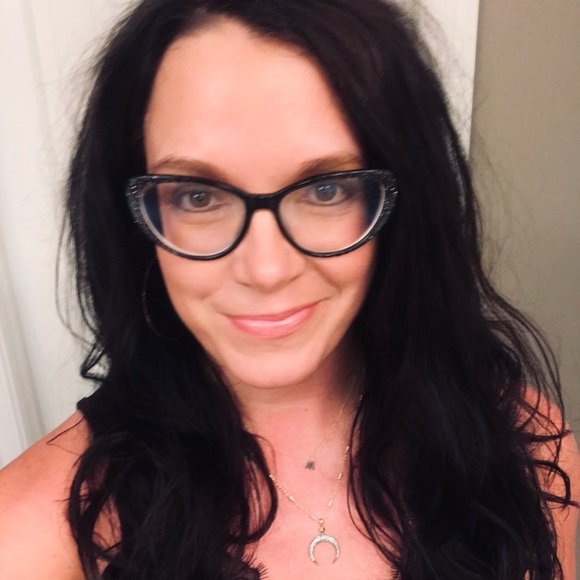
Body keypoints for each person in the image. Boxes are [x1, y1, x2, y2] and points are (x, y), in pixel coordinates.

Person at [0, 0, 578, 578]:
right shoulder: (31, 533)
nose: (266, 269)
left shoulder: (524, 447)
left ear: (403, 206)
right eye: (198, 197)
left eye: (326, 190)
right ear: (134, 222)